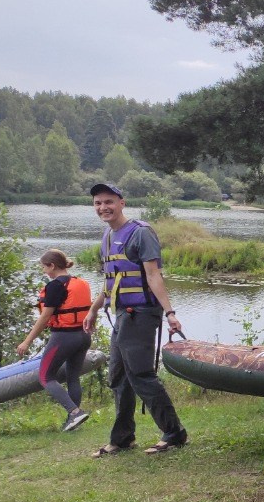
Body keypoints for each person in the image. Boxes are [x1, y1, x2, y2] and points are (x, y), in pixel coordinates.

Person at [81, 183, 189, 456]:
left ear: (122, 202)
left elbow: (154, 276)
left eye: (109, 202)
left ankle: (174, 433)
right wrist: (93, 310)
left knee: (141, 375)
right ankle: (123, 438)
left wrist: (170, 313)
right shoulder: (107, 236)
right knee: (118, 376)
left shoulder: (141, 233)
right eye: (98, 203)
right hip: (121, 314)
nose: (103, 207)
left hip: (141, 314)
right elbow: (110, 281)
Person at [16, 248, 93, 431]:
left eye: (44, 267)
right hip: (83, 336)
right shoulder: (80, 282)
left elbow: (44, 318)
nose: (44, 271)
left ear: (52, 266)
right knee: (73, 377)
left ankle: (74, 413)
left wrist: (26, 342)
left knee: (45, 376)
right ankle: (73, 422)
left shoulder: (55, 286)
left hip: (65, 337)